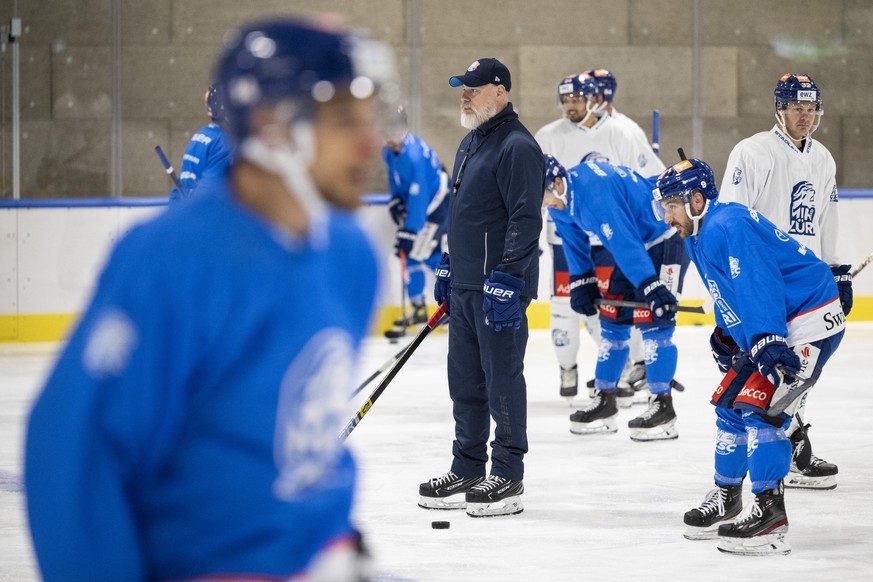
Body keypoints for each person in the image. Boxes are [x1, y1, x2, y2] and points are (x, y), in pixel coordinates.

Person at [25, 16, 397, 581]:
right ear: (274, 127)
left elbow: (298, 438)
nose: (371, 143)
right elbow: (71, 455)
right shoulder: (167, 263)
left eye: (371, 117)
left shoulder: (350, 257)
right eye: (345, 120)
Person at [653, 158, 845, 555]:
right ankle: (728, 498)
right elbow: (731, 291)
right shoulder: (699, 233)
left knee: (763, 410)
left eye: (671, 204)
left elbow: (759, 280)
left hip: (805, 323)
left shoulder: (729, 224)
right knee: (729, 405)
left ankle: (770, 516)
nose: (666, 215)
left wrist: (767, 338)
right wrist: (729, 334)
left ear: (696, 198)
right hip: (774, 324)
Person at [417, 57, 543, 518]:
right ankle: (467, 465)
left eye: (474, 87)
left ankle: (507, 474)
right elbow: (465, 216)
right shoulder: (472, 141)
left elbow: (525, 220)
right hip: (468, 286)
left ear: (500, 91)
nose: (465, 94)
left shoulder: (517, 146)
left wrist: (509, 280)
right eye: (462, 87)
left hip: (498, 291)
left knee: (502, 382)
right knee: (464, 382)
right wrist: (450, 265)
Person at [718, 73, 852, 490]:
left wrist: (837, 269)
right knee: (761, 375)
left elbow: (826, 219)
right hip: (762, 284)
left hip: (806, 286)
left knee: (797, 373)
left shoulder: (823, 158)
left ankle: (790, 448)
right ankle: (773, 454)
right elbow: (731, 221)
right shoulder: (753, 152)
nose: (805, 116)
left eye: (811, 108)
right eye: (797, 107)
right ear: (779, 109)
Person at [534, 71, 665, 403]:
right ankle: (569, 368)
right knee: (567, 304)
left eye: (576, 99)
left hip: (614, 235)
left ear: (593, 100)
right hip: (567, 233)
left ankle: (631, 366)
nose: (570, 106)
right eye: (565, 100)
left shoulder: (623, 132)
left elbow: (655, 179)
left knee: (615, 304)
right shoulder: (547, 135)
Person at [542, 155, 688, 441]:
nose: (545, 205)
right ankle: (605, 399)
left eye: (544, 197)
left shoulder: (595, 195)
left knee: (656, 321)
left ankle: (663, 405)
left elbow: (624, 242)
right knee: (612, 318)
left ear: (557, 183)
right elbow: (573, 239)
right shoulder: (560, 197)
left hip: (665, 235)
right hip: (635, 241)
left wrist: (651, 286)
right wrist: (581, 280)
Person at [381, 106, 449, 338]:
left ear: (404, 127)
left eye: (394, 128)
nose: (390, 134)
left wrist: (410, 231)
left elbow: (419, 199)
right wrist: (395, 200)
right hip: (421, 205)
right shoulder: (389, 150)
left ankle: (454, 304)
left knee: (426, 253)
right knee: (410, 256)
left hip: (436, 205)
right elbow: (394, 177)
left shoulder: (414, 156)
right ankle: (419, 308)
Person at [169, 83, 235, 203]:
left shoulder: (203, 133)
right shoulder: (225, 142)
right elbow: (211, 191)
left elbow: (181, 187)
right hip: (208, 215)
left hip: (188, 210)